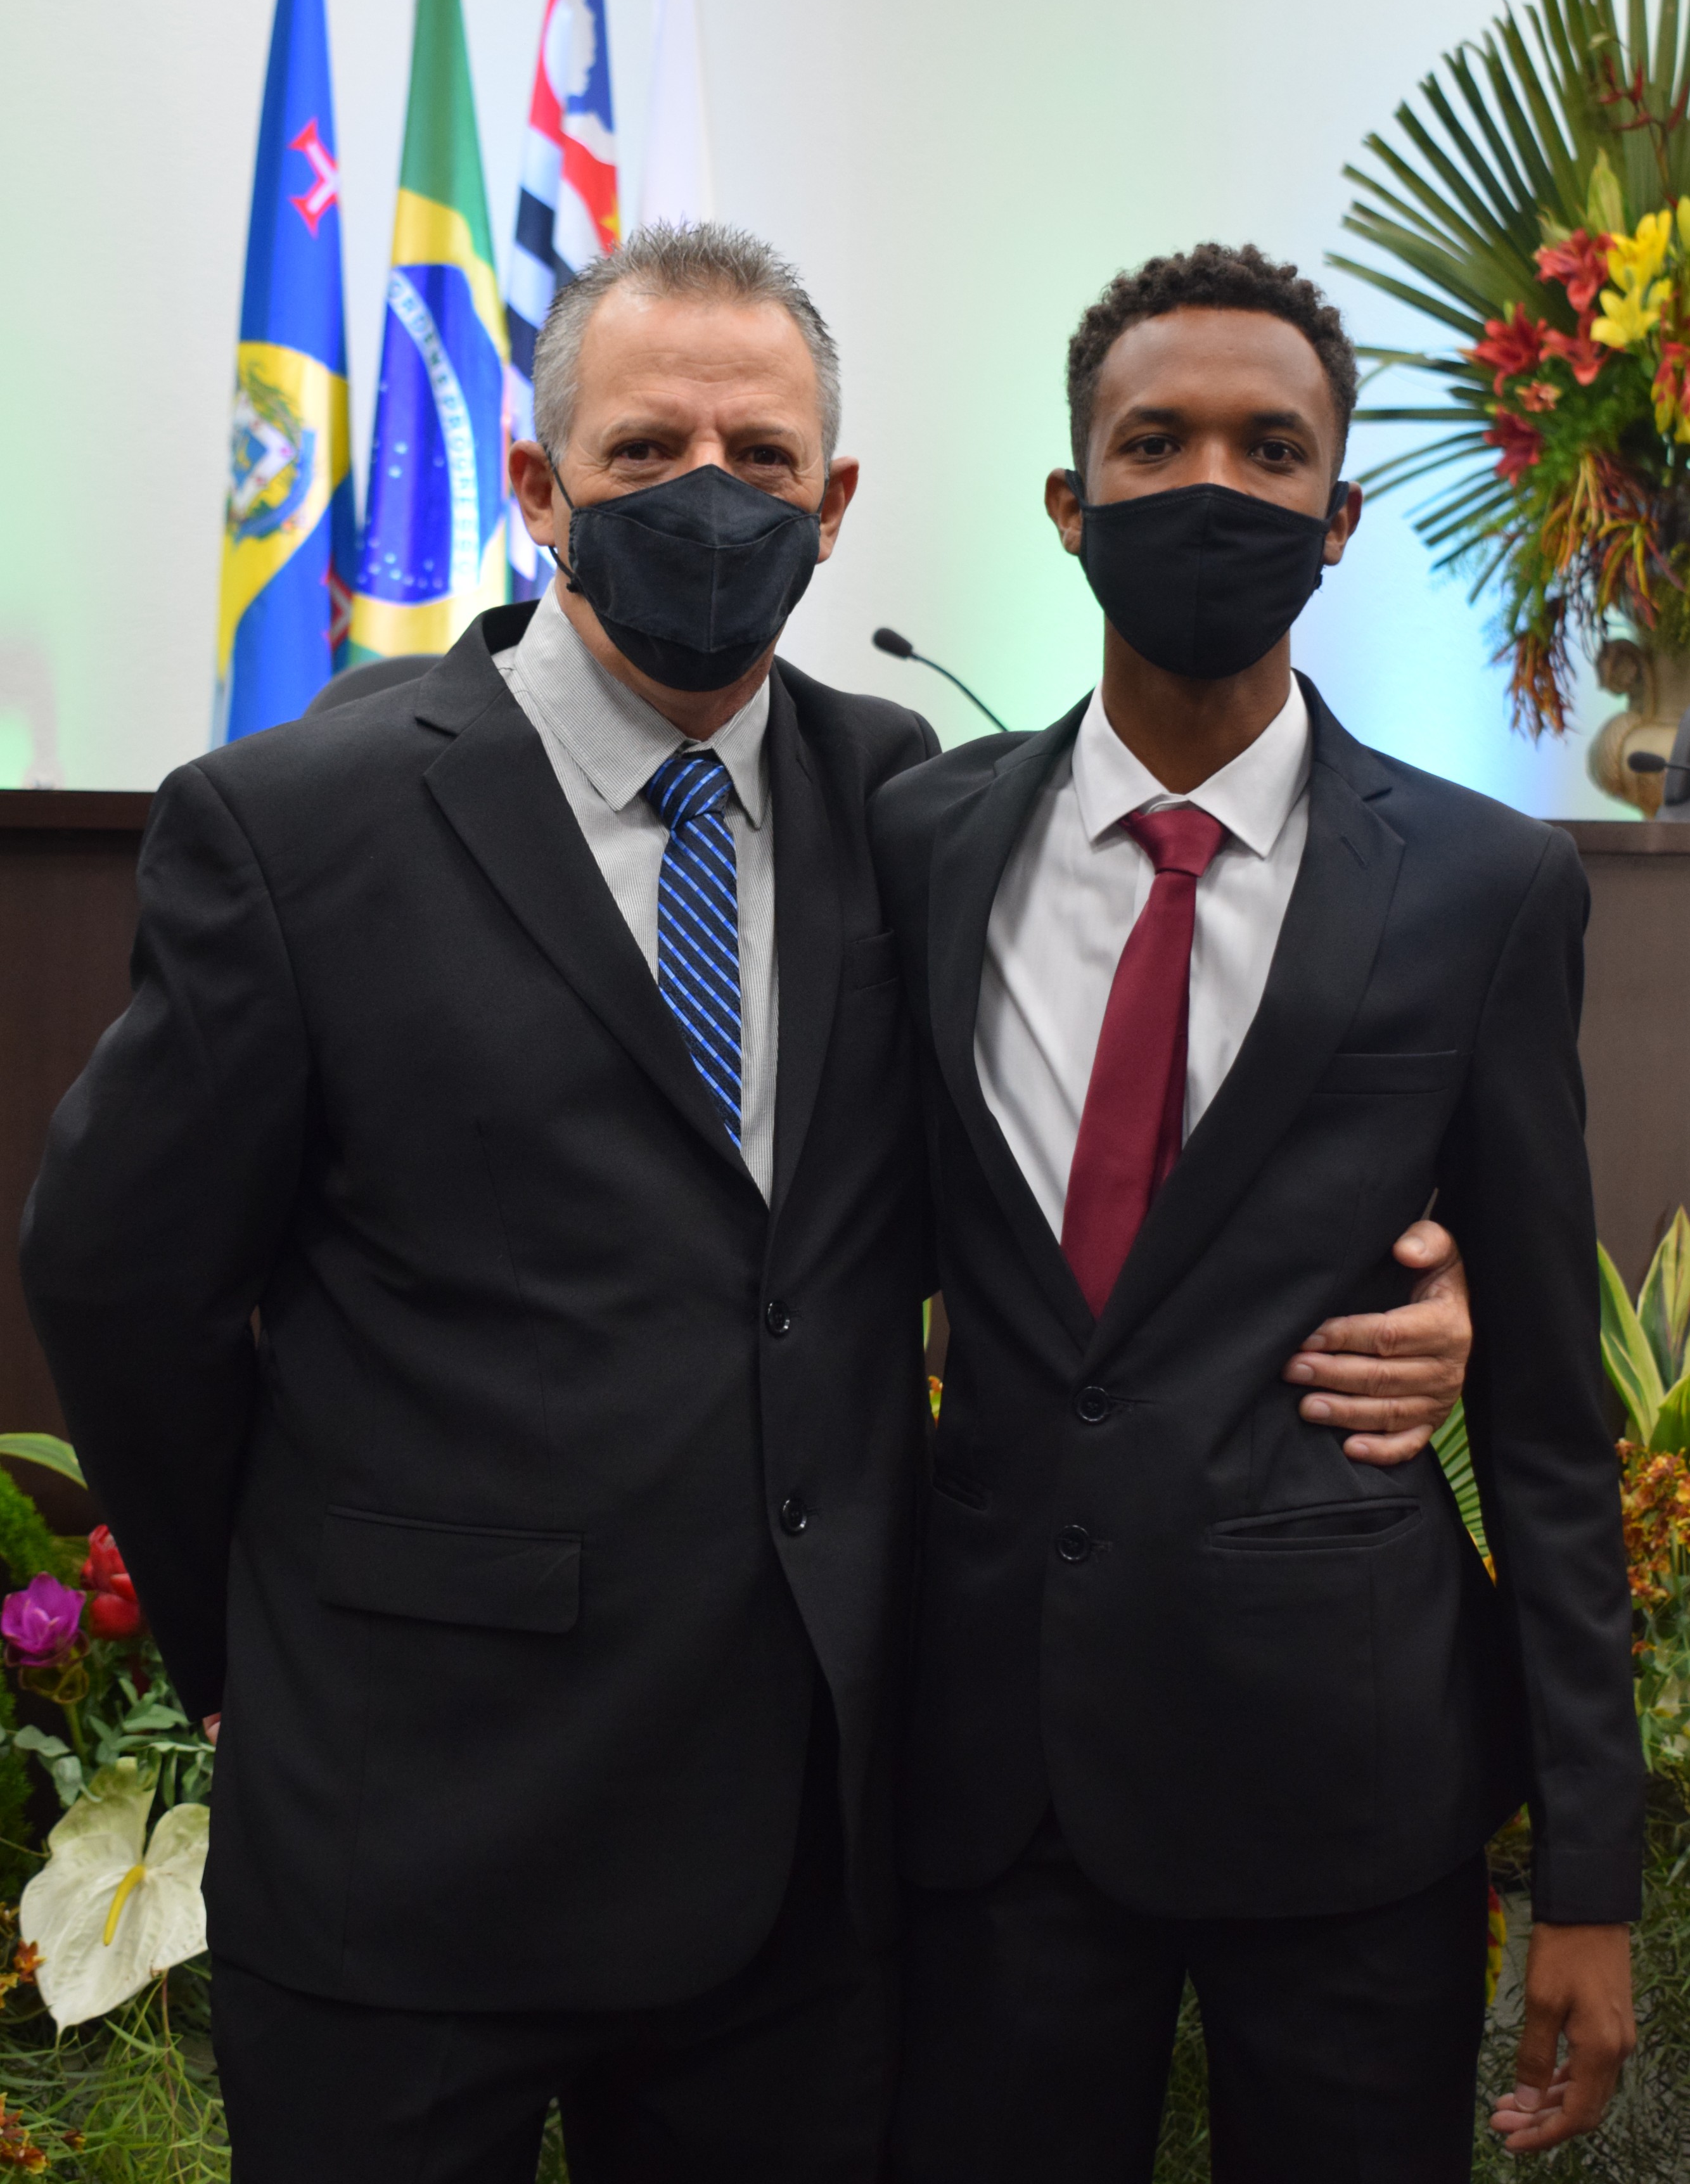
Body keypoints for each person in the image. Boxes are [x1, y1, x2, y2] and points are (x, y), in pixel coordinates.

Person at [23, 226, 1472, 2184]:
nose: (707, 493)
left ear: (832, 502)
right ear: (537, 485)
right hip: (408, 1843)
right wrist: (250, 1650)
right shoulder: (294, 821)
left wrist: (1415, 1290)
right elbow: (120, 1283)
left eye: (761, 456)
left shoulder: (910, 804)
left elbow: (1059, 1174)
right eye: (644, 450)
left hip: (795, 1873)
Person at [874, 244, 1643, 2184]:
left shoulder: (1482, 886)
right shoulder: (918, 844)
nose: (1209, 484)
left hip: (1349, 1780)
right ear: (1069, 503)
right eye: (1154, 443)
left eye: (1267, 448)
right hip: (992, 1778)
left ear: (1337, 515)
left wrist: (1589, 1875)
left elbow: (1551, 1421)